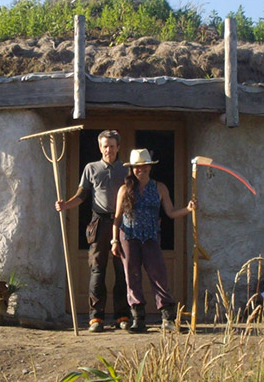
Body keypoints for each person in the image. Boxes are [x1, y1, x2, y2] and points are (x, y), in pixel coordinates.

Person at [112, 148, 197, 333]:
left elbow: (171, 213)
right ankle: (138, 319)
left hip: (151, 236)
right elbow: (117, 217)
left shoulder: (159, 187)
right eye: (137, 167)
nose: (140, 169)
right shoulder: (125, 189)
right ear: (132, 168)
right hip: (129, 236)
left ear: (150, 167)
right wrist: (114, 241)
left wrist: (188, 210)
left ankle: (167, 318)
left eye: (144, 166)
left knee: (159, 275)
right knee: (132, 276)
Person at [56, 130, 131, 332]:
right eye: (105, 146)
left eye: (112, 146)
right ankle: (95, 318)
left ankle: (122, 316)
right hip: (99, 222)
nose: (109, 150)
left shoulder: (126, 170)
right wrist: (66, 205)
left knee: (122, 271)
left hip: (123, 223)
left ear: (118, 147)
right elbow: (82, 195)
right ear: (100, 147)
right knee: (97, 270)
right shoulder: (91, 168)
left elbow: (134, 196)